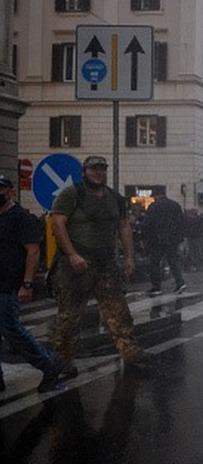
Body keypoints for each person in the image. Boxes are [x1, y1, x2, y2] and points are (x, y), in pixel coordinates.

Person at [50, 156, 153, 373]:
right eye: (94, 169)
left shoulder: (115, 198)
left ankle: (131, 354)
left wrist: (129, 257)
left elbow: (124, 227)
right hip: (77, 265)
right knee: (68, 317)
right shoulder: (72, 194)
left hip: (106, 263)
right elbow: (58, 224)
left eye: (102, 169)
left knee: (118, 312)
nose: (99, 173)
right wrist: (71, 255)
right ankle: (62, 361)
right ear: (84, 171)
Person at [0, 176, 63, 392]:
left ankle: (48, 365)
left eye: (1, 189)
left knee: (11, 330)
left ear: (10, 191)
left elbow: (33, 251)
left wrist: (27, 284)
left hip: (9, 283)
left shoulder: (20, 217)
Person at [142, 191, 186, 296]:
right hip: (173, 238)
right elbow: (181, 222)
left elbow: (148, 224)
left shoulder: (154, 206)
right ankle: (180, 282)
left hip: (158, 239)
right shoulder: (175, 205)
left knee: (155, 262)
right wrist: (180, 238)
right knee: (173, 260)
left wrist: (146, 239)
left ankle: (156, 286)